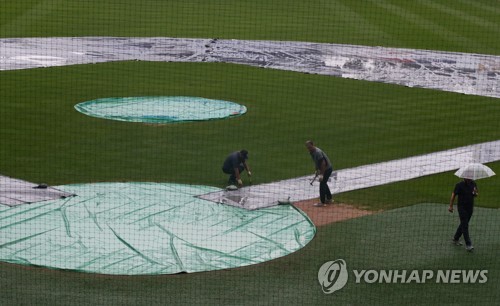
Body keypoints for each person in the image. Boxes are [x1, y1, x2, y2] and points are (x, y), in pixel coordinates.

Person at [448, 178, 478, 252]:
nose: (469, 178)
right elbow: (453, 195)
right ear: (464, 178)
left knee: (464, 223)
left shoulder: (473, 184)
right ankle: (468, 244)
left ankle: (456, 238)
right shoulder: (459, 185)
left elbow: (476, 194)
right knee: (465, 225)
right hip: (462, 208)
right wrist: (451, 206)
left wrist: (475, 193)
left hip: (470, 208)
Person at [306, 140, 333, 207]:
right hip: (324, 168)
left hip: (327, 169)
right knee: (324, 183)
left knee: (322, 183)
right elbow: (317, 162)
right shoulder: (311, 152)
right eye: (308, 147)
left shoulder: (317, 152)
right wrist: (317, 170)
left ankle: (322, 202)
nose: (309, 148)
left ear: (313, 145)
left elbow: (323, 163)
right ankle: (329, 199)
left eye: (310, 147)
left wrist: (322, 174)